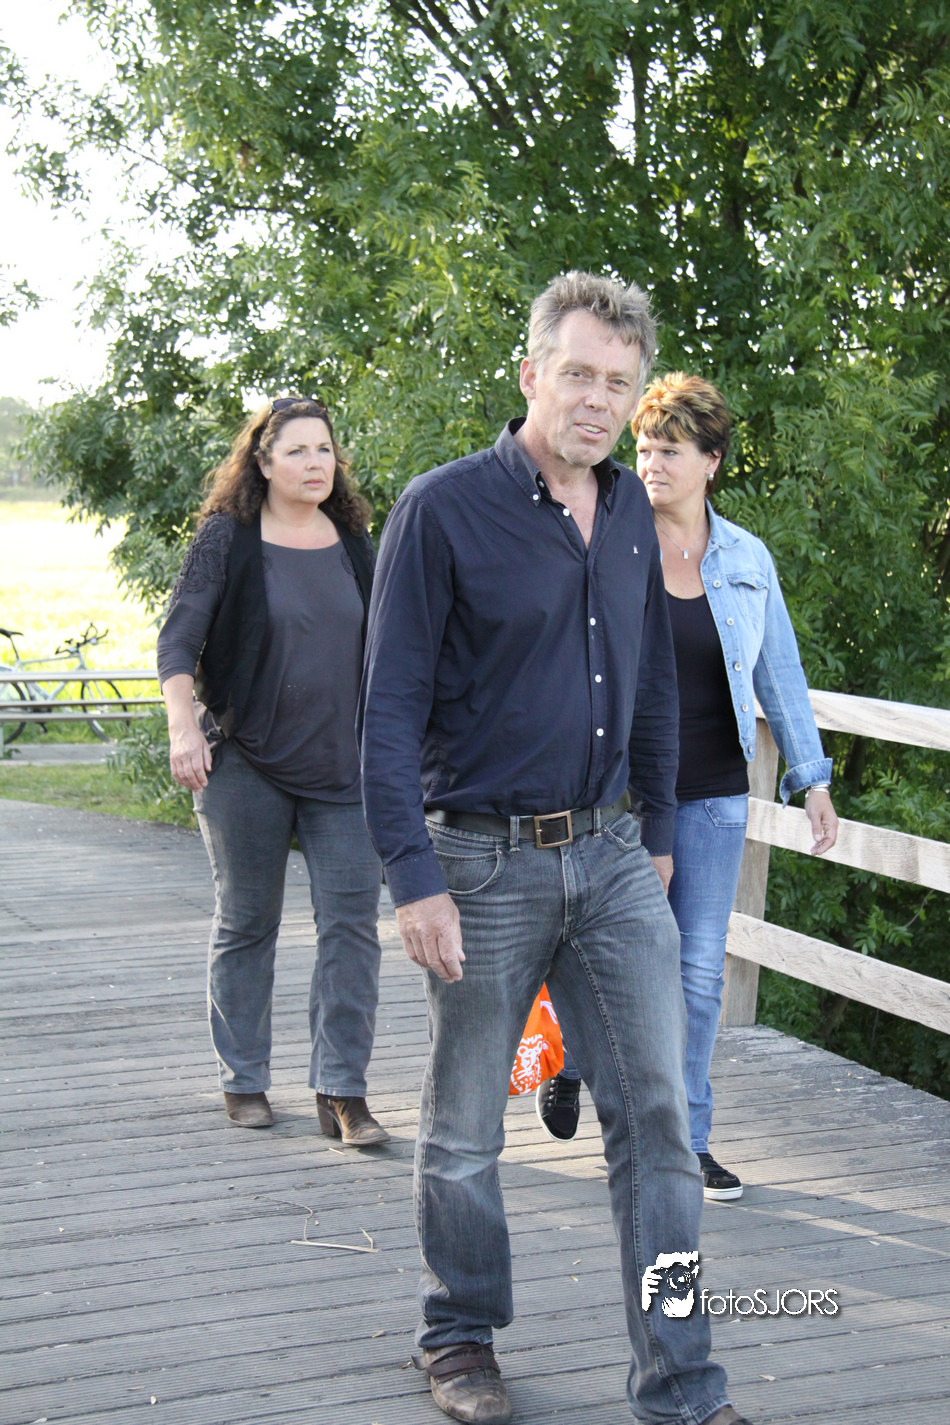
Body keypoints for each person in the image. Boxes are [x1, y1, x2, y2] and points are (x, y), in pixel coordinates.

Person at [359, 276, 751, 1425]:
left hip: (613, 855)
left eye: (616, 383)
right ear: (530, 373)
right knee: (466, 1124)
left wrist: (660, 834)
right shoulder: (440, 510)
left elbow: (654, 688)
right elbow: (385, 711)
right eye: (575, 373)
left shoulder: (630, 514)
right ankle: (458, 1335)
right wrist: (411, 878)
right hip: (477, 864)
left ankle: (681, 1386)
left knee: (656, 1124)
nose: (594, 399)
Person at [156, 396, 389, 1145]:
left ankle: (342, 1091)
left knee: (352, 928)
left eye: (325, 450)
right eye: (296, 451)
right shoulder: (229, 538)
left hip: (344, 768)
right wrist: (183, 726)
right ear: (262, 461)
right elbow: (178, 641)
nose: (315, 463)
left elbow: (394, 644)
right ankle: (244, 1078)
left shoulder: (354, 539)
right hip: (246, 762)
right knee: (248, 921)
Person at [633, 371, 837, 1198]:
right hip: (622, 796)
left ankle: (687, 1141)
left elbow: (778, 670)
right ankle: (571, 1061)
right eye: (645, 448)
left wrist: (811, 779)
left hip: (716, 791)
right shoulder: (611, 539)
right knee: (605, 954)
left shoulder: (747, 558)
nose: (652, 464)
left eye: (671, 450)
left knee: (697, 974)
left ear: (711, 460)